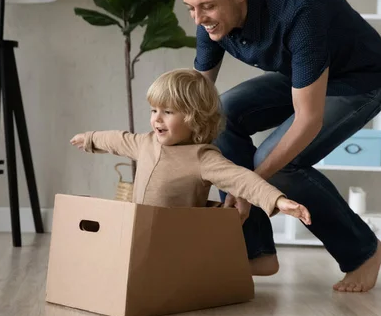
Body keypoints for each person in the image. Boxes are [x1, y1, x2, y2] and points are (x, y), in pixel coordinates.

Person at [176, 0, 381, 292]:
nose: (199, 20)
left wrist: (251, 186)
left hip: (359, 81)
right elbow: (198, 100)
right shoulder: (210, 18)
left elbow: (308, 121)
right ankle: (254, 252)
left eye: (206, 7)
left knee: (279, 164)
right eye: (190, 8)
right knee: (222, 115)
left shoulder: (299, 9)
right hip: (301, 74)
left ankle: (364, 252)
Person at [69, 69, 312, 262]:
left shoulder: (202, 157)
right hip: (141, 233)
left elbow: (242, 180)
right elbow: (117, 140)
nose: (157, 118)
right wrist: (90, 139)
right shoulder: (146, 143)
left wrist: (277, 200)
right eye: (154, 110)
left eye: (168, 111)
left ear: (194, 117)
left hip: (178, 242)